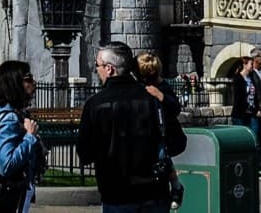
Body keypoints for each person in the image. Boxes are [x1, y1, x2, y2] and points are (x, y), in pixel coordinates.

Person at [78, 42, 183, 213]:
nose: (96, 70)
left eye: (98, 65)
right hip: (154, 192)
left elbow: (85, 153)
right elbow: (177, 142)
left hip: (117, 193)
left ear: (109, 69)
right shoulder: (152, 98)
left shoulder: (95, 104)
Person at [0, 60, 46, 213]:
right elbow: (7, 165)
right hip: (7, 198)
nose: (34, 83)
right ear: (14, 83)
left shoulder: (2, 114)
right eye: (28, 78)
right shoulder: (8, 118)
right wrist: (30, 137)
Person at [136, 51, 187, 207]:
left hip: (164, 132)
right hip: (146, 131)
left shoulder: (161, 86)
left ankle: (176, 185)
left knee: (162, 155)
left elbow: (175, 108)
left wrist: (161, 96)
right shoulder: (138, 87)